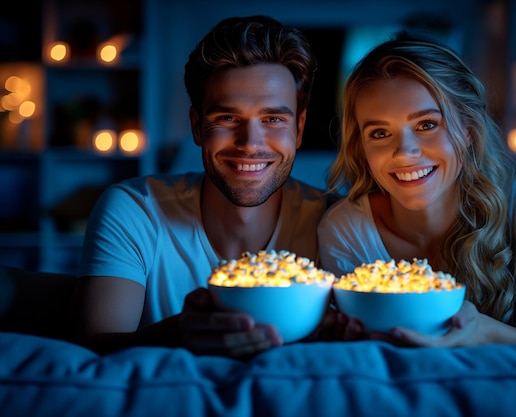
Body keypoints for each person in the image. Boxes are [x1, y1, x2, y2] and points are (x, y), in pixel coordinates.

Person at [68, 15, 336, 358]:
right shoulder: (134, 210)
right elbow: (89, 353)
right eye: (227, 118)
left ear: (298, 129)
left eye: (272, 119)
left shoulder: (336, 222)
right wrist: (177, 334)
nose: (250, 143)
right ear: (197, 127)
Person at [318, 32, 516, 347]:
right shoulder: (346, 229)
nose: (403, 152)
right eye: (380, 133)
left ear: (468, 129)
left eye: (426, 125)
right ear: (361, 147)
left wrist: (486, 332)